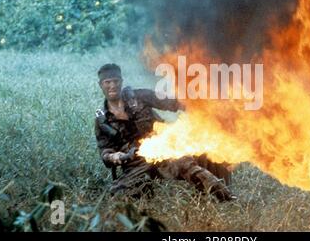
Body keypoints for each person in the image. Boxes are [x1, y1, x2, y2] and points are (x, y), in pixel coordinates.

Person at [94, 63, 234, 201]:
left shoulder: (139, 96)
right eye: (107, 82)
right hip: (135, 162)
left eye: (116, 81)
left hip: (163, 151)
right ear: (101, 85)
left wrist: (201, 106)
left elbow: (171, 102)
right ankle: (145, 195)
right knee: (118, 195)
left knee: (188, 166)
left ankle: (223, 196)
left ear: (121, 82)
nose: (112, 86)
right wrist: (115, 156)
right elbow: (105, 151)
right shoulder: (102, 120)